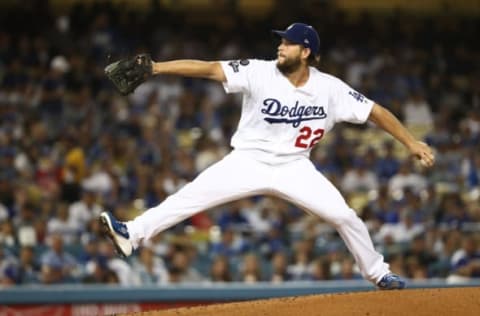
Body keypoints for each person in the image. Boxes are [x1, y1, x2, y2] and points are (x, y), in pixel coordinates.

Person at [100, 22, 435, 290]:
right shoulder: (259, 71)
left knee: (344, 216)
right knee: (189, 197)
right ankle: (132, 234)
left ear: (306, 51)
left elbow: (375, 111)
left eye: (287, 42)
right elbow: (210, 69)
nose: (280, 46)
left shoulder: (330, 88)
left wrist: (410, 143)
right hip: (247, 160)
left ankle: (379, 274)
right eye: (281, 41)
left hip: (294, 166)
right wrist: (158, 68)